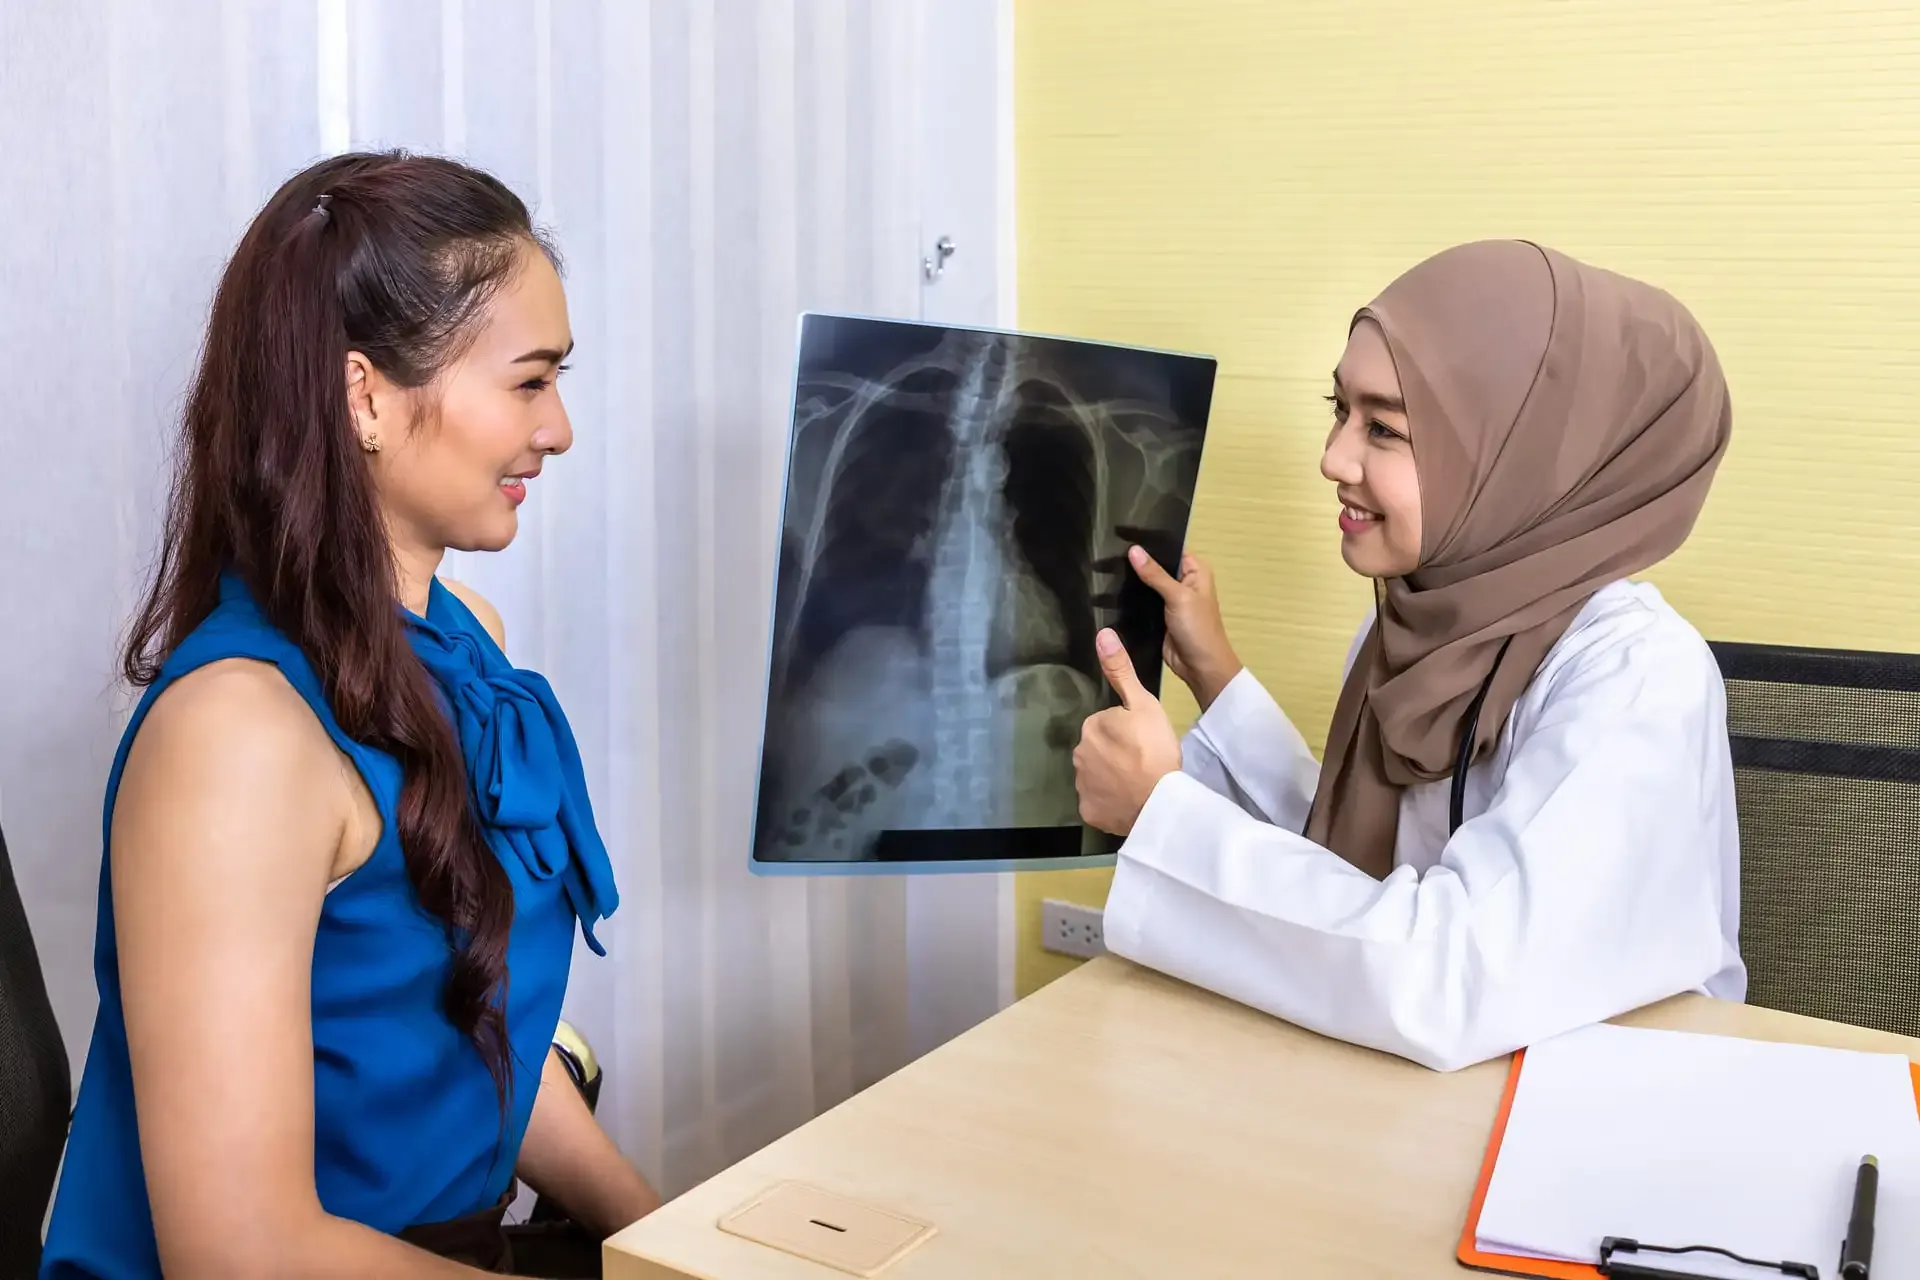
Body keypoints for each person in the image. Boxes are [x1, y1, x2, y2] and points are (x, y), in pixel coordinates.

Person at [41, 151, 660, 1278]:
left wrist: (669, 1239)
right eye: (529, 382)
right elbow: (242, 1250)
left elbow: (475, 1046)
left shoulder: (466, 644)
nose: (560, 428)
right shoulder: (238, 736)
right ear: (365, 396)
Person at [1071, 239, 1743, 1073]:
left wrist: (1162, 817)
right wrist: (1218, 677)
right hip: (1428, 1093)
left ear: (1519, 457)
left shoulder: (1636, 676)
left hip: (1595, 1110)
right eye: (1339, 409)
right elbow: (1362, 871)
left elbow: (1452, 973)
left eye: (1384, 427)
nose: (1333, 458)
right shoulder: (1419, 621)